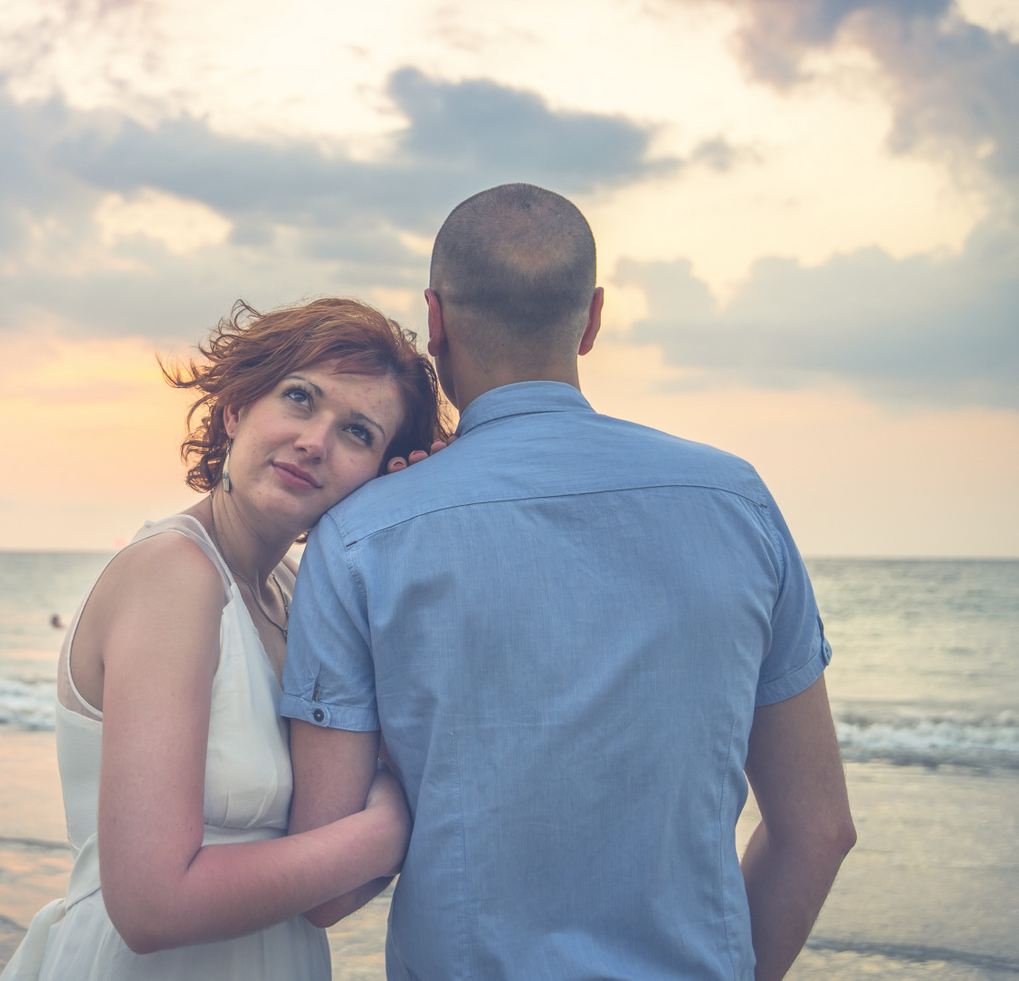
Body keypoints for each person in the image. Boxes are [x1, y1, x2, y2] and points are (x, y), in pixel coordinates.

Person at [283, 184, 857, 981]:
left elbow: (328, 884)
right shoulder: (738, 501)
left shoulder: (360, 538)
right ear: (591, 320)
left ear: (436, 319)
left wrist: (430, 761)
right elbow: (820, 830)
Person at [0, 297, 449, 981]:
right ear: (236, 408)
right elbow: (152, 908)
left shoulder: (302, 594)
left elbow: (328, 898)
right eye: (300, 398)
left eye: (358, 432)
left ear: (382, 474)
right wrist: (387, 829)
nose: (315, 440)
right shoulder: (173, 574)